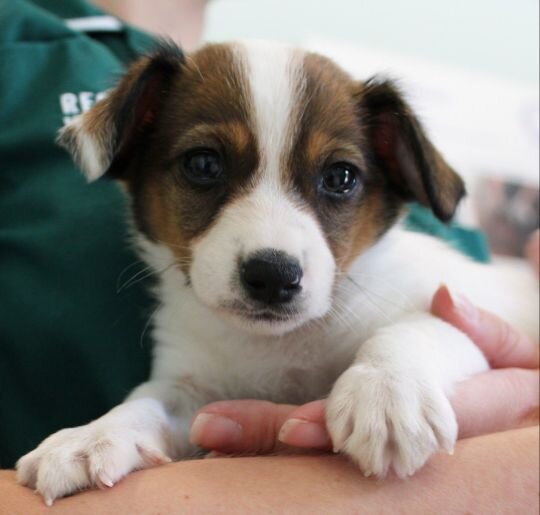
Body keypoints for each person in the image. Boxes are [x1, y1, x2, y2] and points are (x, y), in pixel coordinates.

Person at [0, 1, 538, 512]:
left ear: (390, 184)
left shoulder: (402, 278)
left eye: (338, 178)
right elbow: (182, 404)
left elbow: (459, 332)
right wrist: (129, 426)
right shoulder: (22, 44)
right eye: (205, 166)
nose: (272, 246)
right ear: (130, 153)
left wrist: (398, 359)